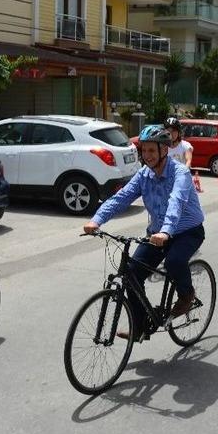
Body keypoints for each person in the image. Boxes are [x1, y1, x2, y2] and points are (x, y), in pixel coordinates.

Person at [84, 126, 205, 339]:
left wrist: (166, 232)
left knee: (174, 262)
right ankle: (139, 326)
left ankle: (186, 295)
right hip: (158, 233)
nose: (147, 156)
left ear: (164, 151)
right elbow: (121, 198)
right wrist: (97, 220)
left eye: (151, 151)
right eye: (144, 150)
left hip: (188, 231)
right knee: (132, 273)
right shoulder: (143, 175)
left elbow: (175, 203)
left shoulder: (180, 173)